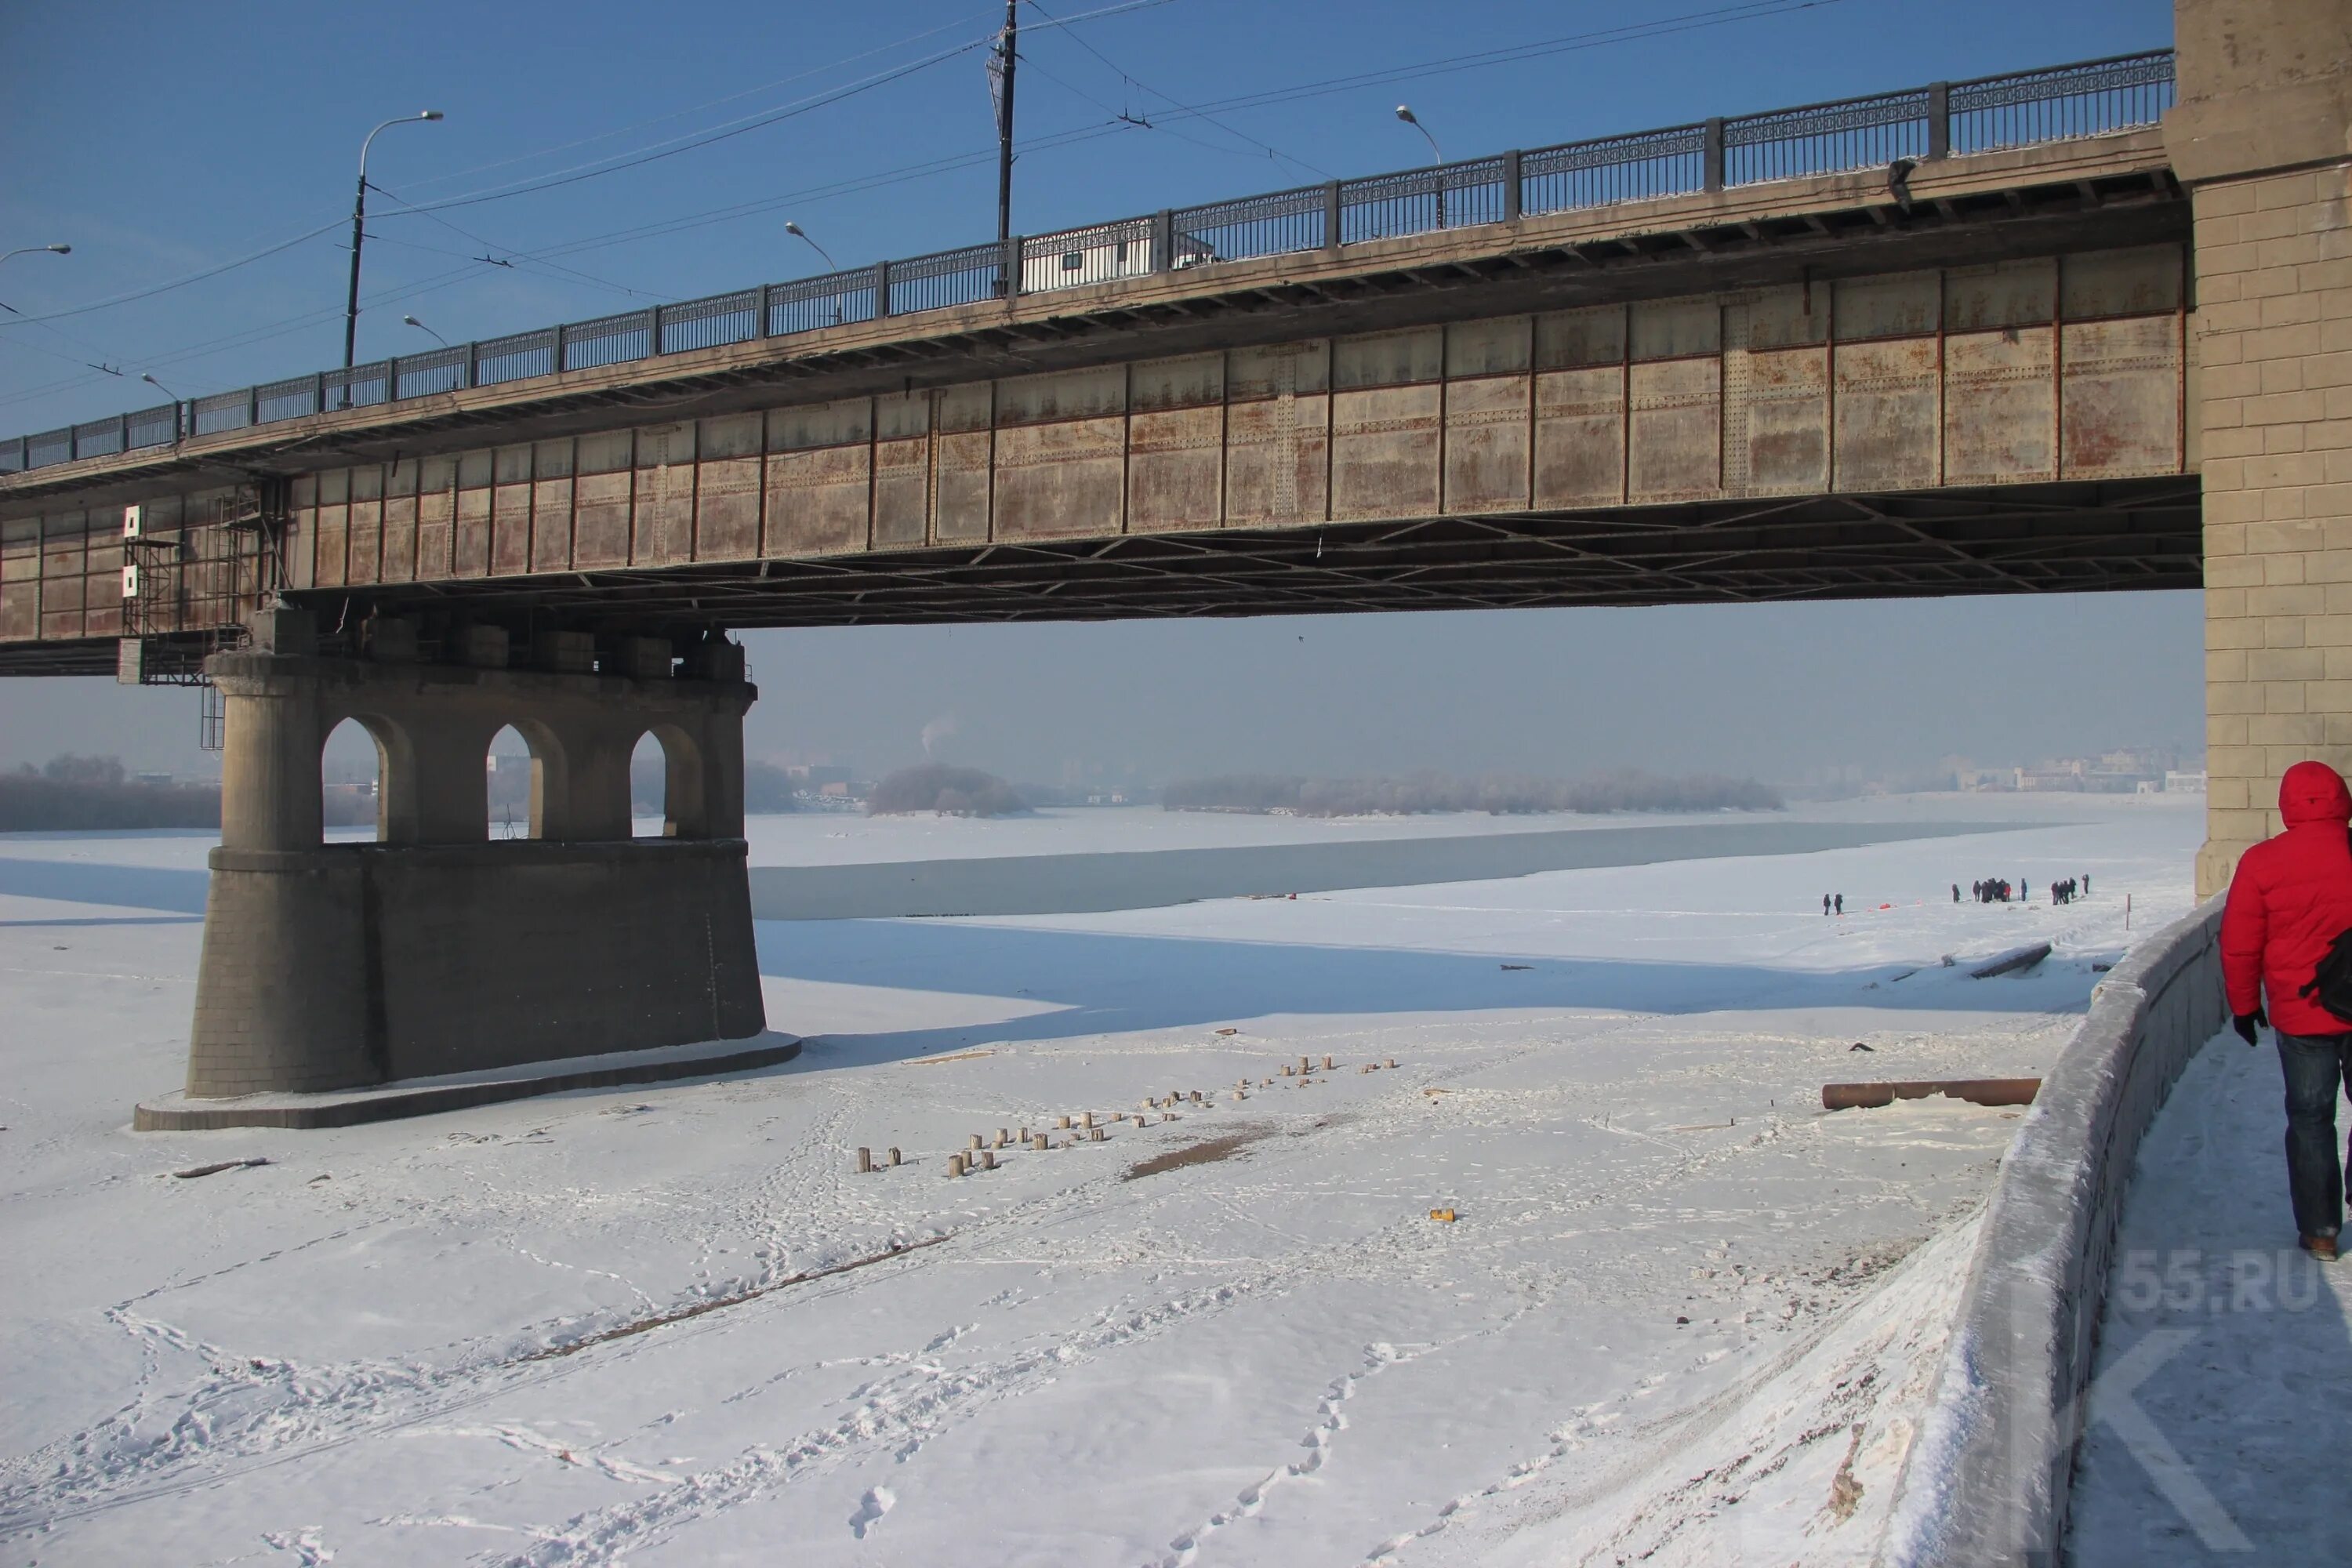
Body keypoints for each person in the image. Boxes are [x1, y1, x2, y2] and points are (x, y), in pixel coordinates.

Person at [2221, 760, 2352, 1262]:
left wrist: (2244, 1005)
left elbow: (2240, 943)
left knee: (2311, 1118)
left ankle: (2320, 1231)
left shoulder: (2263, 862)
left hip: (2303, 1012)